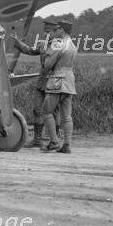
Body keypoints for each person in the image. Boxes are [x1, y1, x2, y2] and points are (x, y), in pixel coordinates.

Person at [10, 19, 60, 148]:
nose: (46, 33)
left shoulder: (60, 46)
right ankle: (37, 139)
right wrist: (17, 41)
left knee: (53, 111)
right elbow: (30, 50)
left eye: (49, 31)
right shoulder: (43, 45)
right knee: (37, 110)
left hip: (54, 82)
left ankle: (54, 139)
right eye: (45, 30)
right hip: (42, 82)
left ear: (57, 32)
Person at [41, 19, 77, 154]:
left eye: (57, 29)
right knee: (67, 116)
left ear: (62, 29)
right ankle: (67, 144)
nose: (55, 31)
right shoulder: (72, 45)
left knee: (47, 111)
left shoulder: (58, 44)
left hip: (57, 80)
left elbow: (48, 64)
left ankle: (54, 142)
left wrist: (45, 57)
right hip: (69, 81)